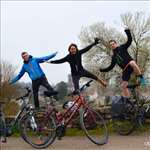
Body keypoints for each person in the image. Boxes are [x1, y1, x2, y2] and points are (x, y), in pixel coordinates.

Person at [99, 28, 145, 97]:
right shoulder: (113, 57)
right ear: (110, 46)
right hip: (125, 69)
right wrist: (102, 70)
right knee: (123, 86)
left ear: (116, 44)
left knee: (132, 63)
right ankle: (127, 99)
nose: (112, 45)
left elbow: (129, 41)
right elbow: (111, 67)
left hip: (130, 64)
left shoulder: (122, 47)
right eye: (111, 45)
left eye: (113, 44)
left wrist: (127, 32)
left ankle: (142, 79)